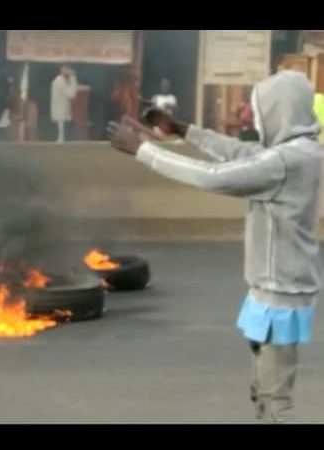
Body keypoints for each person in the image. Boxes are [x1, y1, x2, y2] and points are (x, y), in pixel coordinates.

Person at [107, 70, 322, 423]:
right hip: (273, 291)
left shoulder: (286, 161)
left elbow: (214, 176)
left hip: (280, 293)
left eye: (261, 109)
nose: (255, 117)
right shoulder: (299, 152)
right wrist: (181, 129)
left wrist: (144, 151)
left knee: (276, 402)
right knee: (264, 391)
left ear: (281, 110)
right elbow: (238, 151)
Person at [50, 66, 78, 143]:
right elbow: (72, 94)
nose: (69, 71)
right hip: (61, 111)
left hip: (61, 110)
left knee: (61, 134)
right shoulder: (60, 81)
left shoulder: (60, 80)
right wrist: (73, 78)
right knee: (61, 134)